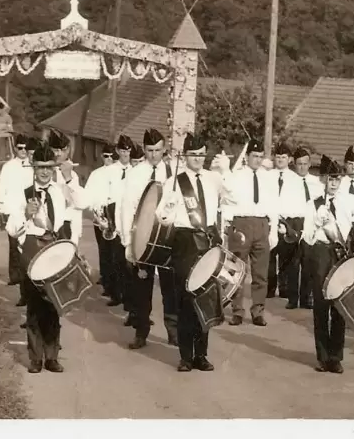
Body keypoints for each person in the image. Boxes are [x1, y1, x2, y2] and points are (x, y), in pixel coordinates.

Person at [156, 132, 229, 371]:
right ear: (185, 156)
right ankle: (186, 357)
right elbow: (162, 217)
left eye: (201, 155)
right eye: (193, 155)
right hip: (185, 241)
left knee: (204, 299)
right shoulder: (174, 182)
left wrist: (226, 172)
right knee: (187, 300)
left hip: (207, 239)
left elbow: (232, 198)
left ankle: (201, 355)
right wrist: (169, 206)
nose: (197, 159)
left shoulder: (213, 179)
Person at [302, 155, 354, 373]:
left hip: (342, 253)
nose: (333, 183)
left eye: (337, 179)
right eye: (330, 179)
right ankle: (323, 357)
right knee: (322, 304)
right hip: (321, 253)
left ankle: (336, 356)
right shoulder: (312, 204)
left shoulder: (349, 201)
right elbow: (307, 237)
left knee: (340, 305)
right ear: (323, 179)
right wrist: (316, 222)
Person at [5, 140, 66, 374]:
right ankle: (35, 359)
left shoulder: (58, 193)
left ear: (53, 169)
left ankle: (52, 356)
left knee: (53, 306)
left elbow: (61, 225)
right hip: (30, 251)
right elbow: (12, 229)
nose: (45, 172)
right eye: (40, 167)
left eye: (49, 167)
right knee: (34, 308)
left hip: (53, 251)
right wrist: (24, 214)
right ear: (34, 168)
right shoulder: (23, 193)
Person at [119, 128, 176, 348]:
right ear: (144, 150)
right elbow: (126, 208)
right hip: (141, 237)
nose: (154, 155)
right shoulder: (135, 174)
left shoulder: (171, 172)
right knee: (142, 289)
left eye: (158, 150)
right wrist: (127, 243)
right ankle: (141, 332)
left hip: (166, 238)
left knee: (170, 288)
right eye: (150, 150)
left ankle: (173, 331)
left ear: (164, 150)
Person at [220, 139, 279, 326]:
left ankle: (258, 311)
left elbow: (274, 205)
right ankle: (237, 310)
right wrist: (228, 227)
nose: (258, 160)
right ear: (246, 157)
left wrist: (273, 230)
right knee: (238, 269)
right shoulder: (236, 176)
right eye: (254, 156)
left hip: (262, 224)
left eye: (261, 156)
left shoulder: (268, 177)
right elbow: (227, 199)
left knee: (261, 272)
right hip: (242, 222)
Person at [85, 134, 133, 307]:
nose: (126, 154)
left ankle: (129, 299)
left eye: (128, 150)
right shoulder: (109, 172)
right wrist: (103, 216)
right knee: (115, 258)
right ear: (118, 151)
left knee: (129, 261)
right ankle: (116, 293)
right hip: (112, 219)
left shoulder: (135, 171)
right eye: (123, 150)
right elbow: (103, 195)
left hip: (129, 221)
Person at [0, 133, 34, 306]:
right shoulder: (9, 166)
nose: (23, 151)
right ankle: (16, 277)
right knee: (14, 246)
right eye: (20, 148)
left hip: (31, 212)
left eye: (26, 148)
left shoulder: (34, 166)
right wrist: (2, 207)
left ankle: (28, 288)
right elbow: (0, 186)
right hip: (14, 211)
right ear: (15, 149)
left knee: (29, 251)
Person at [267, 143, 305, 303]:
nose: (280, 160)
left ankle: (285, 289)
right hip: (270, 219)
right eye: (278, 157)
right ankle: (269, 288)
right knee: (269, 254)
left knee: (287, 257)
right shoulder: (267, 176)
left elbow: (299, 202)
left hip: (288, 220)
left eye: (284, 157)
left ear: (289, 159)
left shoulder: (295, 179)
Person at [292, 147, 324, 309]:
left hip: (310, 223)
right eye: (299, 164)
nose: (302, 167)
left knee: (309, 262)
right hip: (294, 222)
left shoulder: (317, 183)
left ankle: (306, 297)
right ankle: (292, 298)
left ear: (310, 164)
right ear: (294, 164)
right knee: (293, 261)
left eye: (305, 163)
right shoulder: (289, 181)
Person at [48, 129, 88, 244]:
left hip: (68, 226)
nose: (59, 154)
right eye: (55, 150)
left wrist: (68, 178)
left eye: (63, 150)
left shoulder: (73, 175)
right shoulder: (44, 173)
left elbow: (81, 203)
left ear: (69, 150)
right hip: (47, 228)